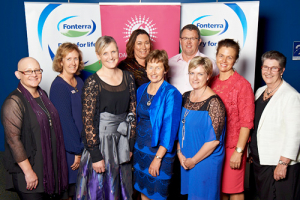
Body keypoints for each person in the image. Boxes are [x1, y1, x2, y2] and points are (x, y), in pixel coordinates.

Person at [76, 36, 136, 200]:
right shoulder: (92, 83)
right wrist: (96, 156)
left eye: (113, 51)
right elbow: (88, 122)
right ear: (98, 55)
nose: (110, 56)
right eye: (105, 53)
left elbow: (132, 112)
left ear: (118, 51)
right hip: (102, 144)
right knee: (102, 190)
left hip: (122, 142)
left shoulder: (128, 77)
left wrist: (130, 146)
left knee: (123, 189)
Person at [1, 57, 68, 200]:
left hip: (49, 168)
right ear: (18, 74)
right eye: (28, 71)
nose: (34, 74)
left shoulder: (42, 94)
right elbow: (13, 141)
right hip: (30, 171)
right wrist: (28, 172)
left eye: (37, 70)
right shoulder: (14, 101)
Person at [249, 51, 300, 200]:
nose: (268, 72)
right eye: (265, 67)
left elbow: (294, 134)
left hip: (278, 162)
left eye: (274, 68)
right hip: (261, 160)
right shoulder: (260, 92)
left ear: (282, 70)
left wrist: (283, 163)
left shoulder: (291, 96)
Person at [133, 50, 182, 200]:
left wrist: (158, 158)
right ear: (146, 68)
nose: (153, 71)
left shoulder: (172, 93)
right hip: (140, 149)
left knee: (157, 194)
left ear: (165, 69)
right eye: (150, 67)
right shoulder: (141, 89)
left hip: (160, 152)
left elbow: (170, 130)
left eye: (158, 67)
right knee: (143, 191)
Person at [210, 39, 255, 200]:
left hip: (233, 146)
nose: (224, 60)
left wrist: (239, 151)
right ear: (216, 56)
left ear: (235, 59)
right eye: (221, 56)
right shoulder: (211, 82)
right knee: (219, 189)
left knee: (234, 189)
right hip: (213, 146)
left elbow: (246, 122)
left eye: (229, 57)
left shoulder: (243, 85)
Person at [177, 56, 226, 200]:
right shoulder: (185, 97)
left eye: (200, 74)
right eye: (192, 73)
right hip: (186, 157)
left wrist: (193, 160)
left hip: (204, 160)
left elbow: (214, 141)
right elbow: (180, 128)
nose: (195, 78)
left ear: (208, 75)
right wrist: (180, 153)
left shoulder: (215, 103)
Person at [49, 42, 85, 200]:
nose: (73, 62)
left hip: (84, 144)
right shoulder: (58, 87)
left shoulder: (80, 82)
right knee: (70, 191)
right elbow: (65, 122)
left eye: (76, 58)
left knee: (83, 189)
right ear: (60, 61)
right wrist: (76, 150)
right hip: (71, 148)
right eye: (68, 58)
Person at [168, 24, 219, 94]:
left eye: (192, 38)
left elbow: (218, 88)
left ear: (199, 41)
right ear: (180, 40)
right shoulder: (170, 63)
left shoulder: (211, 63)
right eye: (185, 38)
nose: (189, 42)